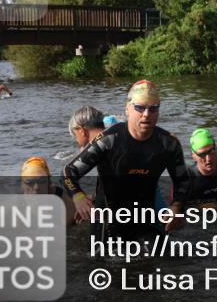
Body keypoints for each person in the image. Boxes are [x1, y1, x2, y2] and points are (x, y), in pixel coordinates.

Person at [62, 80, 189, 238]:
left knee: (168, 260)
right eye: (140, 107)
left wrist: (176, 207)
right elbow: (69, 171)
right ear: (128, 109)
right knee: (98, 262)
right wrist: (78, 197)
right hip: (107, 223)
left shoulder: (169, 144)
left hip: (145, 219)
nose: (146, 114)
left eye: (153, 108)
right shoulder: (108, 140)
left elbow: (183, 180)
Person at [21, 156, 76, 226]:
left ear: (48, 182)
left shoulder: (59, 197)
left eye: (41, 181)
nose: (36, 187)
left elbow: (69, 224)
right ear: (23, 185)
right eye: (30, 182)